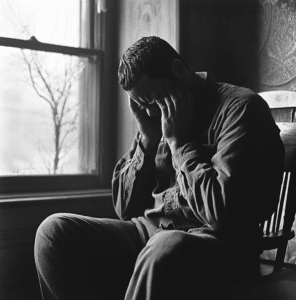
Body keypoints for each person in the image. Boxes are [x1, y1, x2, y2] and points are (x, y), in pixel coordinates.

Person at [34, 36, 284, 300]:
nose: (151, 113)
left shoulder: (241, 108)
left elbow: (221, 213)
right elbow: (125, 209)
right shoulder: (156, 116)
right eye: (141, 105)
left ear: (178, 70)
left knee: (165, 247)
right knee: (53, 232)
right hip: (151, 229)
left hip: (219, 243)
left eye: (153, 99)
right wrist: (147, 140)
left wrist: (179, 143)